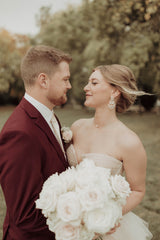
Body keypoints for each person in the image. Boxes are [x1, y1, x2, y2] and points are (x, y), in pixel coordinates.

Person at [68, 64, 153, 239]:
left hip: (106, 231)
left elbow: (138, 190)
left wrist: (106, 218)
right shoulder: (77, 127)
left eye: (94, 83)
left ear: (115, 92)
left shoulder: (129, 141)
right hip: (70, 220)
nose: (86, 87)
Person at [0, 45, 72, 240]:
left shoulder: (49, 117)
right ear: (43, 80)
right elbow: (26, 217)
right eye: (65, 79)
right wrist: (78, 222)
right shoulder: (19, 133)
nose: (69, 85)